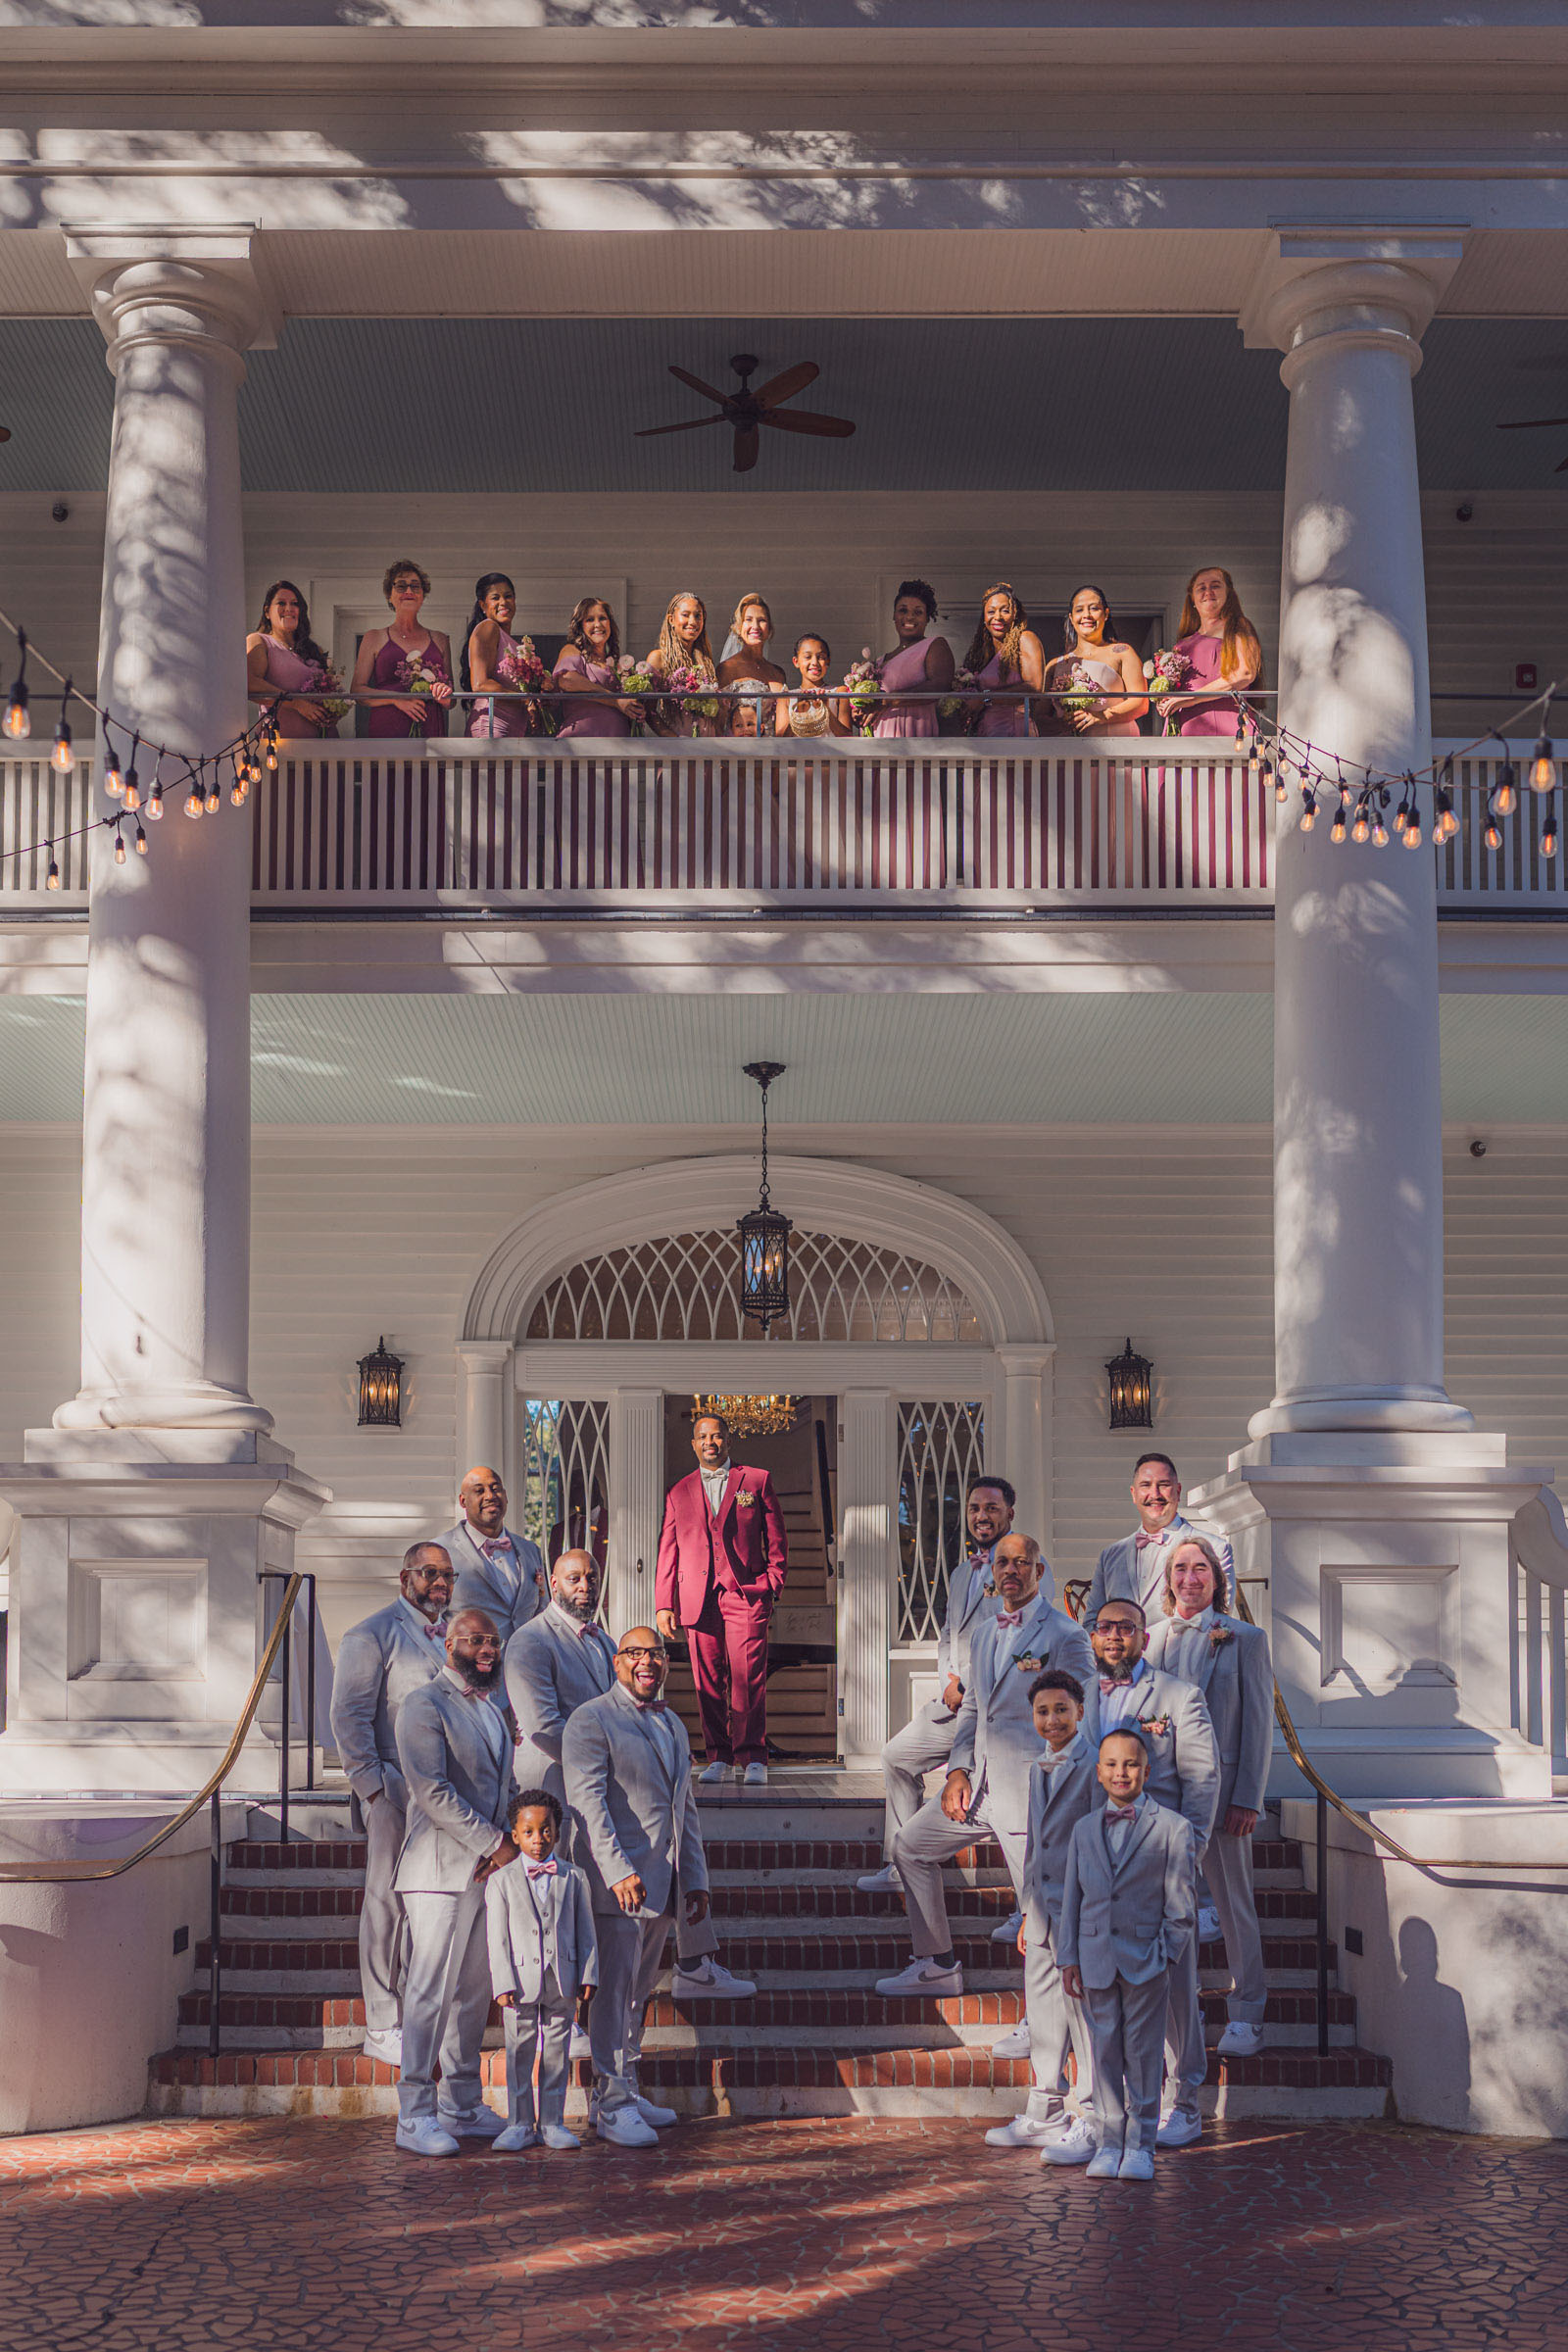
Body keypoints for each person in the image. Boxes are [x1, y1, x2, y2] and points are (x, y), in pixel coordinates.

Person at [875, 1534, 1094, 2002]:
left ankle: (1047, 2020)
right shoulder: (986, 1633)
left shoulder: (1066, 1635)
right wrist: (957, 1770)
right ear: (993, 1573)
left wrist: (1061, 1784)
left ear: (1039, 1572)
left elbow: (1085, 1713)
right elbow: (974, 1708)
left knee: (1042, 1911)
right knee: (909, 1846)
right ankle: (935, 1964)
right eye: (1003, 1563)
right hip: (978, 1788)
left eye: (1022, 1563)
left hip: (1034, 1795)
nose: (1011, 1570)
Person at [564, 1625, 755, 2149]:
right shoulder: (590, 1719)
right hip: (617, 1887)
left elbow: (683, 1809)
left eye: (656, 1653)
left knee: (638, 1994)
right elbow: (587, 1804)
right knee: (611, 1997)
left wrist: (694, 1879)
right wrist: (617, 1870)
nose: (647, 1661)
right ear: (617, 1662)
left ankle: (625, 2087)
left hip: (662, 1885)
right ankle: (610, 2102)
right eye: (635, 1653)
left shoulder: (672, 1722)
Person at [1082, 1597, 1220, 2150]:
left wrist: (1189, 1853)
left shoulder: (1179, 1696)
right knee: (1101, 1987)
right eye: (1105, 1627)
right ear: (1093, 1636)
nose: (1114, 1636)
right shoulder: (1079, 1696)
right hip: (1096, 1862)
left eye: (1126, 1627)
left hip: (1158, 1861)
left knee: (1175, 1987)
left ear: (1144, 1635)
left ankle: (1184, 2102)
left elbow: (1202, 1780)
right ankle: (1102, 2108)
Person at [391, 1607, 515, 2158]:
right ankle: (414, 2113)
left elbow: (503, 1787)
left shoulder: (493, 1708)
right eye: (475, 1640)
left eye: (493, 1642)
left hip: (488, 1871)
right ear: (448, 1643)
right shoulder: (423, 1705)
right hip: (438, 1869)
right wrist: (495, 1843)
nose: (486, 1650)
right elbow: (432, 1792)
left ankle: (461, 2105)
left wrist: (514, 1841)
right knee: (429, 1991)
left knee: (471, 1993)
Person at [1145, 1534, 1272, 2059]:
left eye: (1200, 1568)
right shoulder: (1150, 1639)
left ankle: (1248, 2014)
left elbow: (1258, 1724)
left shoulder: (1245, 1638)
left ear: (1217, 1580)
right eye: (1180, 1568)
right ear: (1168, 1579)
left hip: (1223, 1795)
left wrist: (1248, 1797)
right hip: (1161, 1794)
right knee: (1170, 1906)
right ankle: (1183, 2007)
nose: (1189, 1578)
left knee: (1233, 1906)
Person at [328, 1541, 455, 2070]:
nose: (440, 1583)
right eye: (429, 1573)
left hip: (449, 1798)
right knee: (386, 1903)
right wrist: (375, 1790)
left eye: (447, 1575)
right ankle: (381, 2023)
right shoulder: (371, 1634)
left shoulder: (458, 1632)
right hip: (394, 1792)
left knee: (433, 1906)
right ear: (405, 1579)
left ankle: (423, 2013)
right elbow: (348, 1716)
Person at [858, 1476, 1015, 1895]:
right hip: (953, 1703)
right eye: (975, 1508)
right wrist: (949, 1678)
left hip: (994, 1708)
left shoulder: (1023, 1564)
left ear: (1009, 1513)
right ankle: (899, 1867)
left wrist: (966, 1685)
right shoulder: (963, 1571)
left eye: (992, 1508)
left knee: (1008, 1798)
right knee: (897, 1756)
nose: (982, 1516)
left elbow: (1015, 1637)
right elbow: (947, 1633)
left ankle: (1026, 1908)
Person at [1060, 1726, 1198, 2180]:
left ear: (1147, 1771)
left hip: (1147, 1961)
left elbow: (1181, 1905)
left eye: (1131, 1764)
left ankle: (1141, 2144)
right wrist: (1068, 1956)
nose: (1122, 1772)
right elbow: (1072, 1898)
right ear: (1099, 1772)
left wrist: (1166, 1956)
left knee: (1142, 2053)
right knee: (1102, 2053)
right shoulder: (1083, 1830)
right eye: (1112, 1764)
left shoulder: (1173, 1828)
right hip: (1095, 1956)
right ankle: (1108, 2141)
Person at [984, 1669, 1098, 2163]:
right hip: (1044, 1912)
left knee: (1085, 2017)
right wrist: (1028, 1910)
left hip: (1081, 1910)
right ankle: (1046, 2112)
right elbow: (1035, 1847)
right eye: (1042, 1711)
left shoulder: (1094, 1765)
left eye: (1061, 1710)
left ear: (1080, 1711)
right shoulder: (1038, 1768)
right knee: (1045, 2014)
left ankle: (1094, 2117)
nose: (1052, 1720)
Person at [656, 1409, 788, 1787]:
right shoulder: (678, 1491)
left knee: (748, 1679)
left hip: (746, 1593)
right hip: (697, 1597)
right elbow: (668, 1548)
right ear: (693, 1444)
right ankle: (718, 1756)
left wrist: (773, 1581)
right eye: (703, 1437)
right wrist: (664, 1602)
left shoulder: (756, 1480)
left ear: (728, 1441)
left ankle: (752, 1756)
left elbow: (776, 1536)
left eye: (716, 1436)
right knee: (707, 1681)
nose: (710, 1442)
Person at [484, 1787, 598, 2153]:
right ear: (515, 1835)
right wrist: (502, 1982)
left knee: (556, 2052)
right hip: (519, 1982)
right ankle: (519, 2123)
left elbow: (586, 1931)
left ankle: (552, 2122)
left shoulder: (575, 1877)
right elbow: (497, 1938)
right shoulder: (500, 1881)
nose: (538, 1839)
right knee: (519, 2051)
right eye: (529, 1832)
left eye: (546, 1830)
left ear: (558, 1833)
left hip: (562, 1978)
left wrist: (588, 1974)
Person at [504, 1548, 616, 1814]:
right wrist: (610, 1762)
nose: (585, 1586)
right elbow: (544, 1726)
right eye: (574, 1579)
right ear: (554, 1584)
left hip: (599, 1790)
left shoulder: (606, 1641)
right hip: (552, 1789)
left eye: (592, 1578)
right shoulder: (530, 1640)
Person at [1084, 1451, 1235, 1625]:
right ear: (1134, 1494)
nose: (1155, 1494)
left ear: (1178, 1491)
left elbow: (1218, 1621)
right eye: (1146, 1485)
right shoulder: (1110, 1556)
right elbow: (1091, 1622)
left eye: (1163, 1485)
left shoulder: (1216, 1549)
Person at [440, 1464, 547, 1644]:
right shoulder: (441, 1552)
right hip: (471, 1661)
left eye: (496, 1489)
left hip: (527, 1659)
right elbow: (431, 1619)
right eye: (479, 1491)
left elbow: (542, 1611)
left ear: (506, 1496)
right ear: (463, 1501)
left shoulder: (530, 1550)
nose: (490, 1496)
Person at [350, 559, 454, 738]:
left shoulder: (440, 639)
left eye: (415, 586)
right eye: (401, 586)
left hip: (430, 728)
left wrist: (444, 695)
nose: (409, 591)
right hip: (387, 730)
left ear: (422, 596)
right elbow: (357, 692)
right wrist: (396, 699)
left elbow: (451, 701)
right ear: (389, 595)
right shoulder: (374, 637)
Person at [1162, 564, 1262, 738]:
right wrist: (1167, 701)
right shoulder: (1182, 644)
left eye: (1215, 586)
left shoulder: (1238, 627)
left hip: (1227, 723)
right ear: (1192, 599)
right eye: (1201, 588)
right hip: (1187, 725)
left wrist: (1190, 698)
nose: (1208, 592)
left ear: (1229, 593)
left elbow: (1245, 673)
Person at [1045, 584, 1149, 739]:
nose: (1087, 615)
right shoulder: (1055, 665)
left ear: (1106, 614)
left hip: (1118, 743)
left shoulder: (1123, 653)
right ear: (1071, 618)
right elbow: (1039, 715)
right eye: (1079, 610)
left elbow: (1141, 703)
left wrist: (1102, 716)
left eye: (1094, 608)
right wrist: (1063, 724)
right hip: (1069, 747)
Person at [245, 580, 334, 739]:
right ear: (267, 612)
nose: (289, 608)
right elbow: (250, 684)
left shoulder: (314, 650)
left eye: (294, 604)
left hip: (321, 743)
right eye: (281, 603)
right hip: (278, 744)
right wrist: (297, 704)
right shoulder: (260, 641)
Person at [871, 579, 955, 739]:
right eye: (903, 610)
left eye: (918, 612)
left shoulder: (934, 645)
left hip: (916, 736)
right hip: (881, 738)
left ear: (927, 618)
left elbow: (939, 686)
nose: (909, 617)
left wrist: (887, 701)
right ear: (894, 615)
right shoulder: (881, 661)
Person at [963, 582, 1047, 737]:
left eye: (1005, 611)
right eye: (991, 611)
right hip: (986, 732)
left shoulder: (1025, 639)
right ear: (984, 618)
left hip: (1015, 731)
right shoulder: (981, 652)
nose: (998, 617)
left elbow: (1034, 687)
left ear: (1015, 614)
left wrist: (985, 698)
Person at [461, 571, 537, 739]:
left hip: (514, 731)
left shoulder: (514, 644)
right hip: (491, 728)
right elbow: (480, 684)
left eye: (508, 596)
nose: (503, 602)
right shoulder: (488, 627)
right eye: (495, 598)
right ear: (483, 605)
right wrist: (525, 699)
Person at [553, 596, 640, 739]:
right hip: (582, 742)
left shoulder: (616, 664)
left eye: (602, 618)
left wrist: (635, 709)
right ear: (580, 626)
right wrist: (615, 701)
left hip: (619, 741)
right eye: (590, 620)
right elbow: (567, 680)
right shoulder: (572, 650)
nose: (598, 624)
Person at [644, 592, 719, 737]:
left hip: (708, 742)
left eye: (698, 616)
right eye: (685, 615)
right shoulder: (658, 658)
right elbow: (648, 711)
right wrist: (672, 738)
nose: (693, 622)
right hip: (677, 743)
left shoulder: (705, 661)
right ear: (671, 619)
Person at [717, 592, 787, 737]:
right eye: (748, 620)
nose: (755, 626)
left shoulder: (778, 673)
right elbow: (718, 724)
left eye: (761, 620)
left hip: (774, 747)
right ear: (739, 627)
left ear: (769, 629)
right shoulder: (727, 669)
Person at [776, 634, 854, 737]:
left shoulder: (839, 692)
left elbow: (847, 736)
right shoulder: (786, 697)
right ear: (796, 661)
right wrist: (798, 714)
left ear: (828, 661)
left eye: (821, 657)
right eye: (808, 657)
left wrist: (826, 711)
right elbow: (780, 739)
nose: (815, 662)